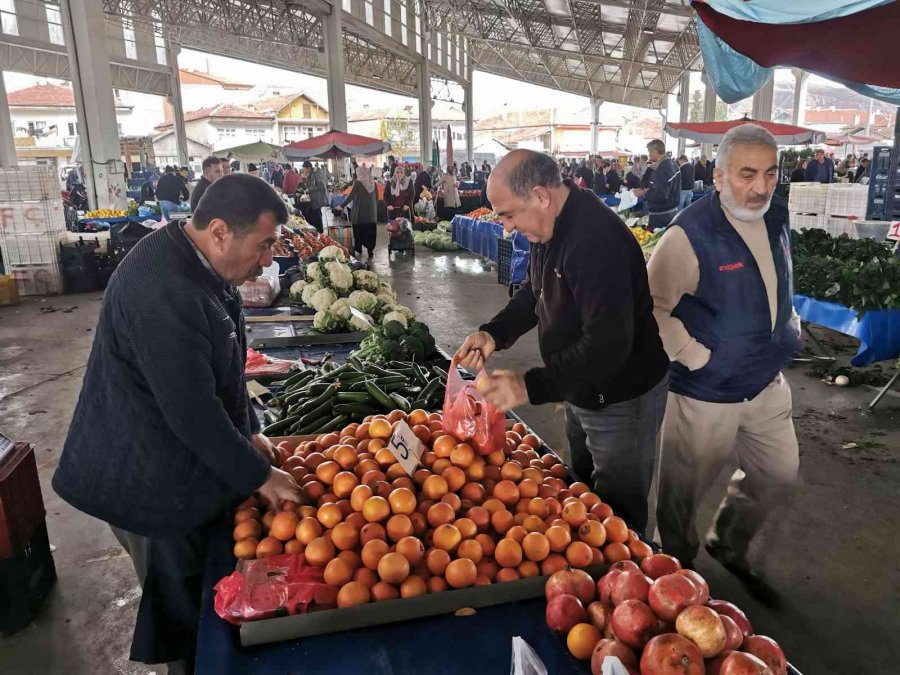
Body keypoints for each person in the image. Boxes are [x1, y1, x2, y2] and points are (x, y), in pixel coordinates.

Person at [51, 173, 303, 673]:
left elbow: (224, 368)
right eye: (264, 244)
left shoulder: (204, 267)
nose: (270, 259)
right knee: (181, 608)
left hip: (169, 453)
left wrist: (249, 428)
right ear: (219, 231)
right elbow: (192, 412)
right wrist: (260, 476)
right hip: (140, 476)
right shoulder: (161, 288)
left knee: (190, 590)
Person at [456, 150, 669, 534]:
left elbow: (607, 347)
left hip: (622, 397)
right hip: (578, 384)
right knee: (578, 492)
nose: (504, 228)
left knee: (618, 516)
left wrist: (528, 385)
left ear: (540, 196)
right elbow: (533, 293)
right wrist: (494, 332)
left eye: (507, 215)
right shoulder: (547, 225)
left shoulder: (595, 243)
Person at [648, 124, 800, 600]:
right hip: (705, 390)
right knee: (681, 492)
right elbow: (649, 306)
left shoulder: (775, 215)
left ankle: (728, 541)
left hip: (764, 380)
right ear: (717, 176)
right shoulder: (689, 233)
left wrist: (786, 324)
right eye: (747, 174)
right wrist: (696, 357)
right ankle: (676, 572)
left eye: (771, 174)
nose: (760, 187)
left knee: (778, 473)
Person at [337, 164, 378, 259]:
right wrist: (374, 209)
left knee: (358, 231)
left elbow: (351, 196)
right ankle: (370, 250)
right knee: (370, 232)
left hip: (359, 213)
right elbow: (376, 198)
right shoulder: (373, 182)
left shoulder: (358, 182)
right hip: (371, 214)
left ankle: (358, 248)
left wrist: (341, 206)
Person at [644, 140, 680, 230]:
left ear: (655, 152)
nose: (649, 155)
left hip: (661, 216)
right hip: (672, 212)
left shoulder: (662, 170)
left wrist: (645, 193)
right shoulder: (674, 164)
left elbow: (660, 195)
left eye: (649, 152)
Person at [302, 160, 328, 232]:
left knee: (317, 218)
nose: (304, 171)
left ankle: (320, 234)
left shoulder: (317, 174)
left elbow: (322, 186)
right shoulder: (311, 175)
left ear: (309, 168)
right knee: (313, 218)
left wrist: (309, 189)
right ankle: (316, 233)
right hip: (313, 200)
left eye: (304, 169)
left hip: (317, 200)